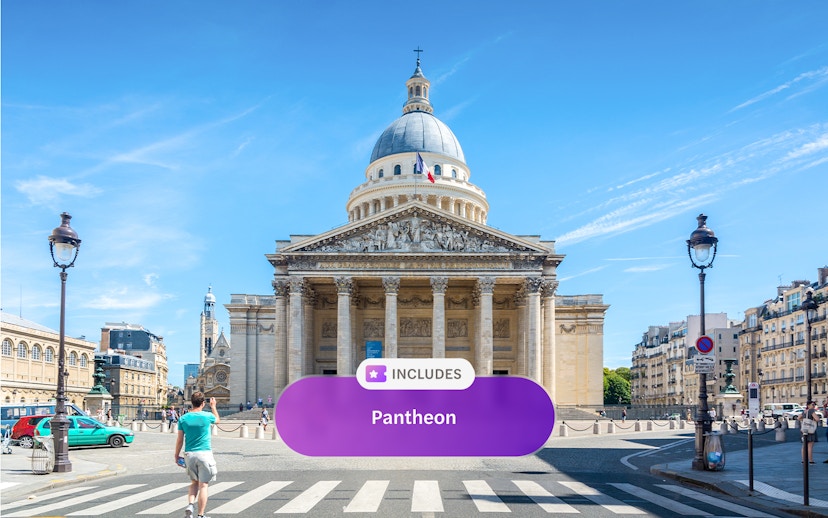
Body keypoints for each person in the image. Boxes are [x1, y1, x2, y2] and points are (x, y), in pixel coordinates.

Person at [175, 392, 220, 518]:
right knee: (203, 485)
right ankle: (200, 515)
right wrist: (213, 407)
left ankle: (190, 505)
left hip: (189, 454)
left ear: (191, 402)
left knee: (194, 482)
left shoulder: (183, 418)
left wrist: (176, 455)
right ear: (203, 403)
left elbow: (179, 440)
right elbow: (217, 420)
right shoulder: (207, 416)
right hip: (204, 453)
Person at [800, 400, 818, 464]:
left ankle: (803, 460)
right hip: (810, 430)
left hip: (804, 429)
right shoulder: (811, 411)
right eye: (812, 405)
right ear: (808, 405)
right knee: (810, 445)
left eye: (814, 405)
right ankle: (811, 460)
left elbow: (798, 418)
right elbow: (817, 419)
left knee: (804, 445)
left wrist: (804, 420)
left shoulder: (804, 411)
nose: (813, 406)